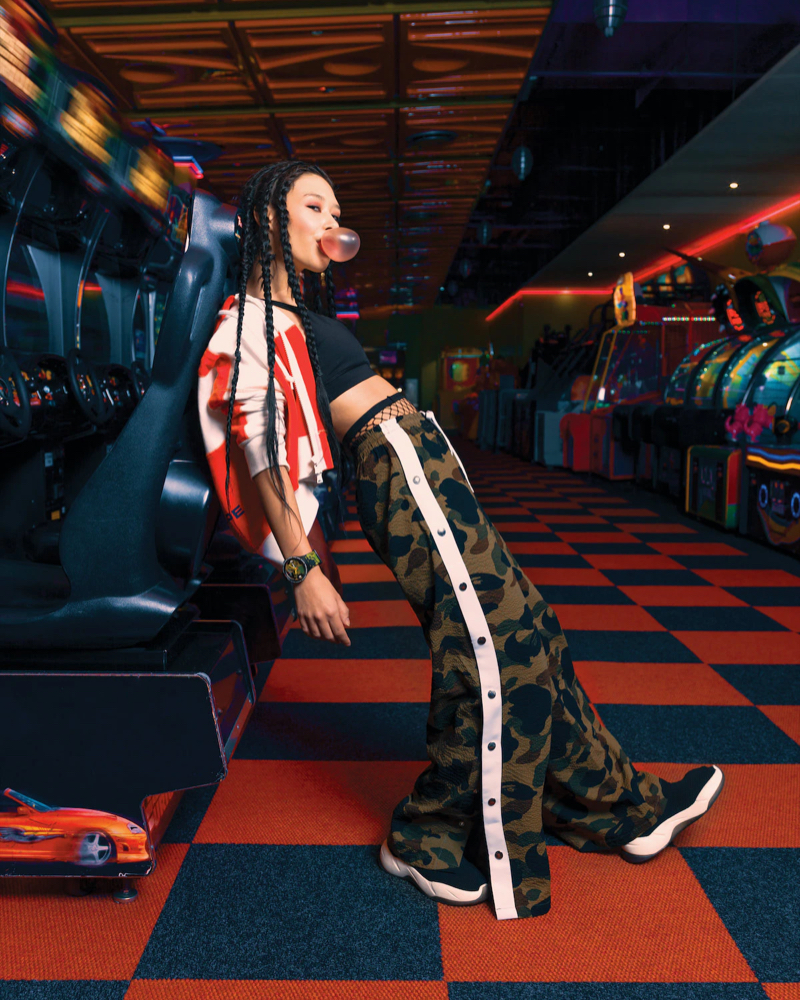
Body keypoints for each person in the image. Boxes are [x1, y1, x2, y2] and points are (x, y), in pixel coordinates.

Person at [198, 160, 724, 921]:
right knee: (491, 650)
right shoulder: (248, 320)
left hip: (425, 472)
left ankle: (619, 808)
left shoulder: (291, 314)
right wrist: (303, 569)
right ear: (266, 222)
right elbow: (261, 451)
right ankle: (427, 831)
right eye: (315, 204)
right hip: (401, 479)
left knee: (533, 634)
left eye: (336, 205)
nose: (333, 222)